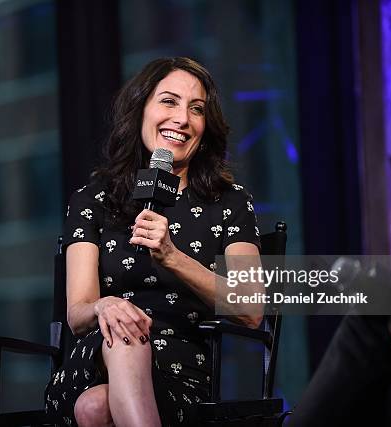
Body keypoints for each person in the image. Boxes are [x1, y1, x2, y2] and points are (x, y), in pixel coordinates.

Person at [44, 57, 263, 426]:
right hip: (94, 361)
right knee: (124, 337)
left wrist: (173, 257)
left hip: (180, 377)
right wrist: (104, 306)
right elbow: (78, 313)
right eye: (168, 101)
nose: (182, 118)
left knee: (95, 409)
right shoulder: (94, 198)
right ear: (140, 108)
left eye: (196, 109)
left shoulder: (229, 201)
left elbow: (251, 308)